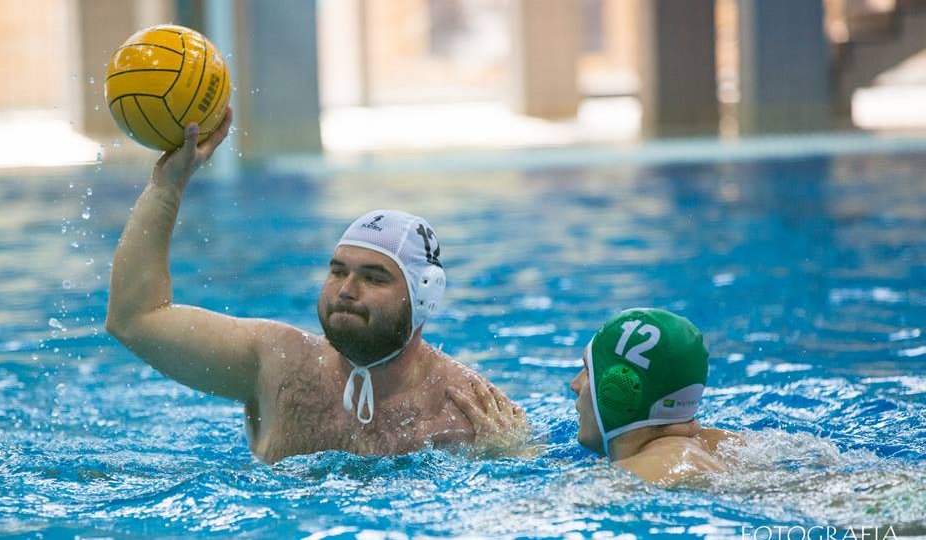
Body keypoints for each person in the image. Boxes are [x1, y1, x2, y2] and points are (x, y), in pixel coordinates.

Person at [105, 109, 527, 464]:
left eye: (374, 277)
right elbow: (135, 318)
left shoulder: (469, 412)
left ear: (423, 296)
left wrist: (506, 456)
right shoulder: (275, 363)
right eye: (338, 271)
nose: (346, 289)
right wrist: (167, 188)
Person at [452, 308, 737, 483]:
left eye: (589, 371)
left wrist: (508, 458)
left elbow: (534, 513)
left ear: (623, 390)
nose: (574, 384)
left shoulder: (652, 471)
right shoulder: (722, 446)